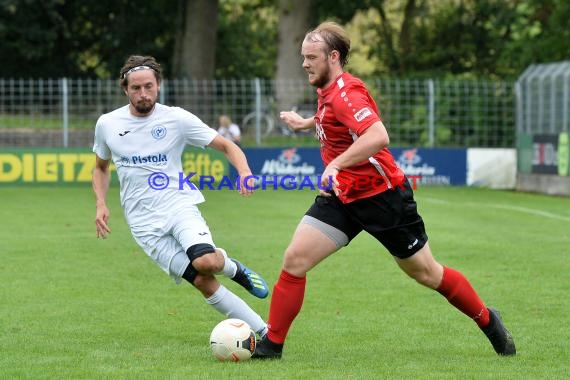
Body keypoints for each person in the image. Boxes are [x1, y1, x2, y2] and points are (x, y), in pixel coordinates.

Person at [252, 22, 515, 359]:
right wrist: (306, 123)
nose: (304, 63)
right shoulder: (327, 89)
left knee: (426, 273)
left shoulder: (348, 92)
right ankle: (272, 347)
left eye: (311, 57)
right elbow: (332, 117)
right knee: (295, 260)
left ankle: (488, 320)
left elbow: (377, 136)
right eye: (303, 56)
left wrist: (334, 165)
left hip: (384, 198)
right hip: (343, 198)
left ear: (333, 57)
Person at [92, 55, 269, 338]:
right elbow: (100, 168)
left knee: (207, 263)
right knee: (202, 280)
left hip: (177, 204)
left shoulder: (176, 118)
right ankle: (265, 332)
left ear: (159, 85)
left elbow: (226, 145)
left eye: (148, 86)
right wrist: (101, 203)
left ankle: (235, 269)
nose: (143, 94)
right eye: (136, 88)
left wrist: (245, 172)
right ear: (125, 89)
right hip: (142, 223)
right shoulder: (107, 124)